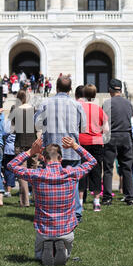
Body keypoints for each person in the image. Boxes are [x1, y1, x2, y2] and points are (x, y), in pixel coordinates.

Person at [7, 137, 97, 266]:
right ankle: (64, 252)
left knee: (38, 255)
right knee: (67, 249)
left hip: (44, 231)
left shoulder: (37, 175)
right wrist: (75, 146)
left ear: (43, 159)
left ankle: (44, 251)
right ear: (61, 159)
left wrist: (30, 152)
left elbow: (11, 165)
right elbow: (92, 161)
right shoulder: (71, 173)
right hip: (66, 230)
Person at [35, 75, 87, 221]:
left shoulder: (46, 103)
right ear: (70, 89)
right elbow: (83, 127)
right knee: (73, 182)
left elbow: (37, 124)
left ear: (56, 87)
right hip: (71, 148)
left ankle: (52, 210)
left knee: (51, 181)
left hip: (52, 149)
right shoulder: (77, 105)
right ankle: (76, 212)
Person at [101, 79, 133, 206]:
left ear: (110, 90)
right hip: (126, 135)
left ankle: (107, 197)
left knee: (108, 168)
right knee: (127, 167)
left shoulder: (107, 103)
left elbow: (104, 122)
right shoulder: (128, 103)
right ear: (120, 89)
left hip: (112, 136)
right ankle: (130, 196)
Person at [78, 84, 109, 211]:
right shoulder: (99, 109)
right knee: (96, 171)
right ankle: (96, 201)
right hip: (96, 142)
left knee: (81, 171)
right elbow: (106, 129)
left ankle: (80, 202)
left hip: (82, 141)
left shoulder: (79, 108)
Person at [11, 90, 38, 207]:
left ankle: (25, 201)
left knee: (22, 173)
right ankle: (37, 199)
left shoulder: (14, 109)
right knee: (34, 171)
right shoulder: (34, 109)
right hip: (33, 143)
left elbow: (13, 128)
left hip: (20, 142)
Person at [2, 105, 16, 198]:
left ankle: (8, 189)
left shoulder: (8, 122)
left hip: (9, 148)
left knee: (8, 170)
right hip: (19, 149)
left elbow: (4, 133)